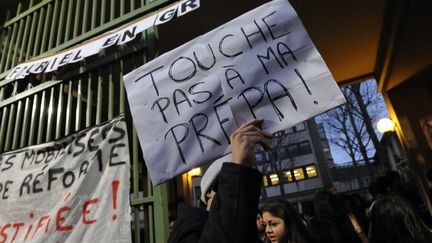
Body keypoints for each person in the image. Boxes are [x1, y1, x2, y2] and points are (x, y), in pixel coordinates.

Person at [168, 118, 272, 243]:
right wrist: (238, 165)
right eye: (225, 182)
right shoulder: (189, 230)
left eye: (245, 186)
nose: (240, 191)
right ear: (209, 191)